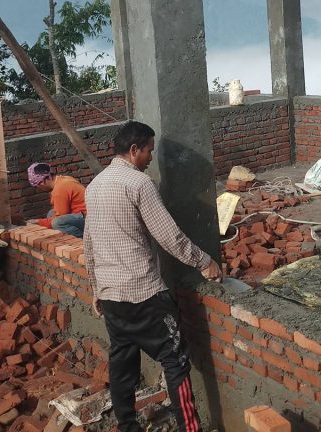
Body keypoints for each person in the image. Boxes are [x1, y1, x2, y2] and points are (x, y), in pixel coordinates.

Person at [83, 121, 222, 432]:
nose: (150, 159)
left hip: (111, 297)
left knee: (122, 365)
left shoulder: (95, 185)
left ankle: (127, 426)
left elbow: (88, 243)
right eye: (148, 151)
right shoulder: (139, 184)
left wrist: (95, 288)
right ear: (134, 150)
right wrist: (204, 261)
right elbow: (169, 236)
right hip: (144, 295)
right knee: (175, 361)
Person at [28, 162, 87, 238]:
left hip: (88, 219)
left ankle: (83, 240)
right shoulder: (63, 179)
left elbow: (60, 215)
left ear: (42, 182)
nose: (39, 189)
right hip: (81, 213)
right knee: (51, 213)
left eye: (37, 186)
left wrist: (38, 222)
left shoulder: (59, 189)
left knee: (57, 223)